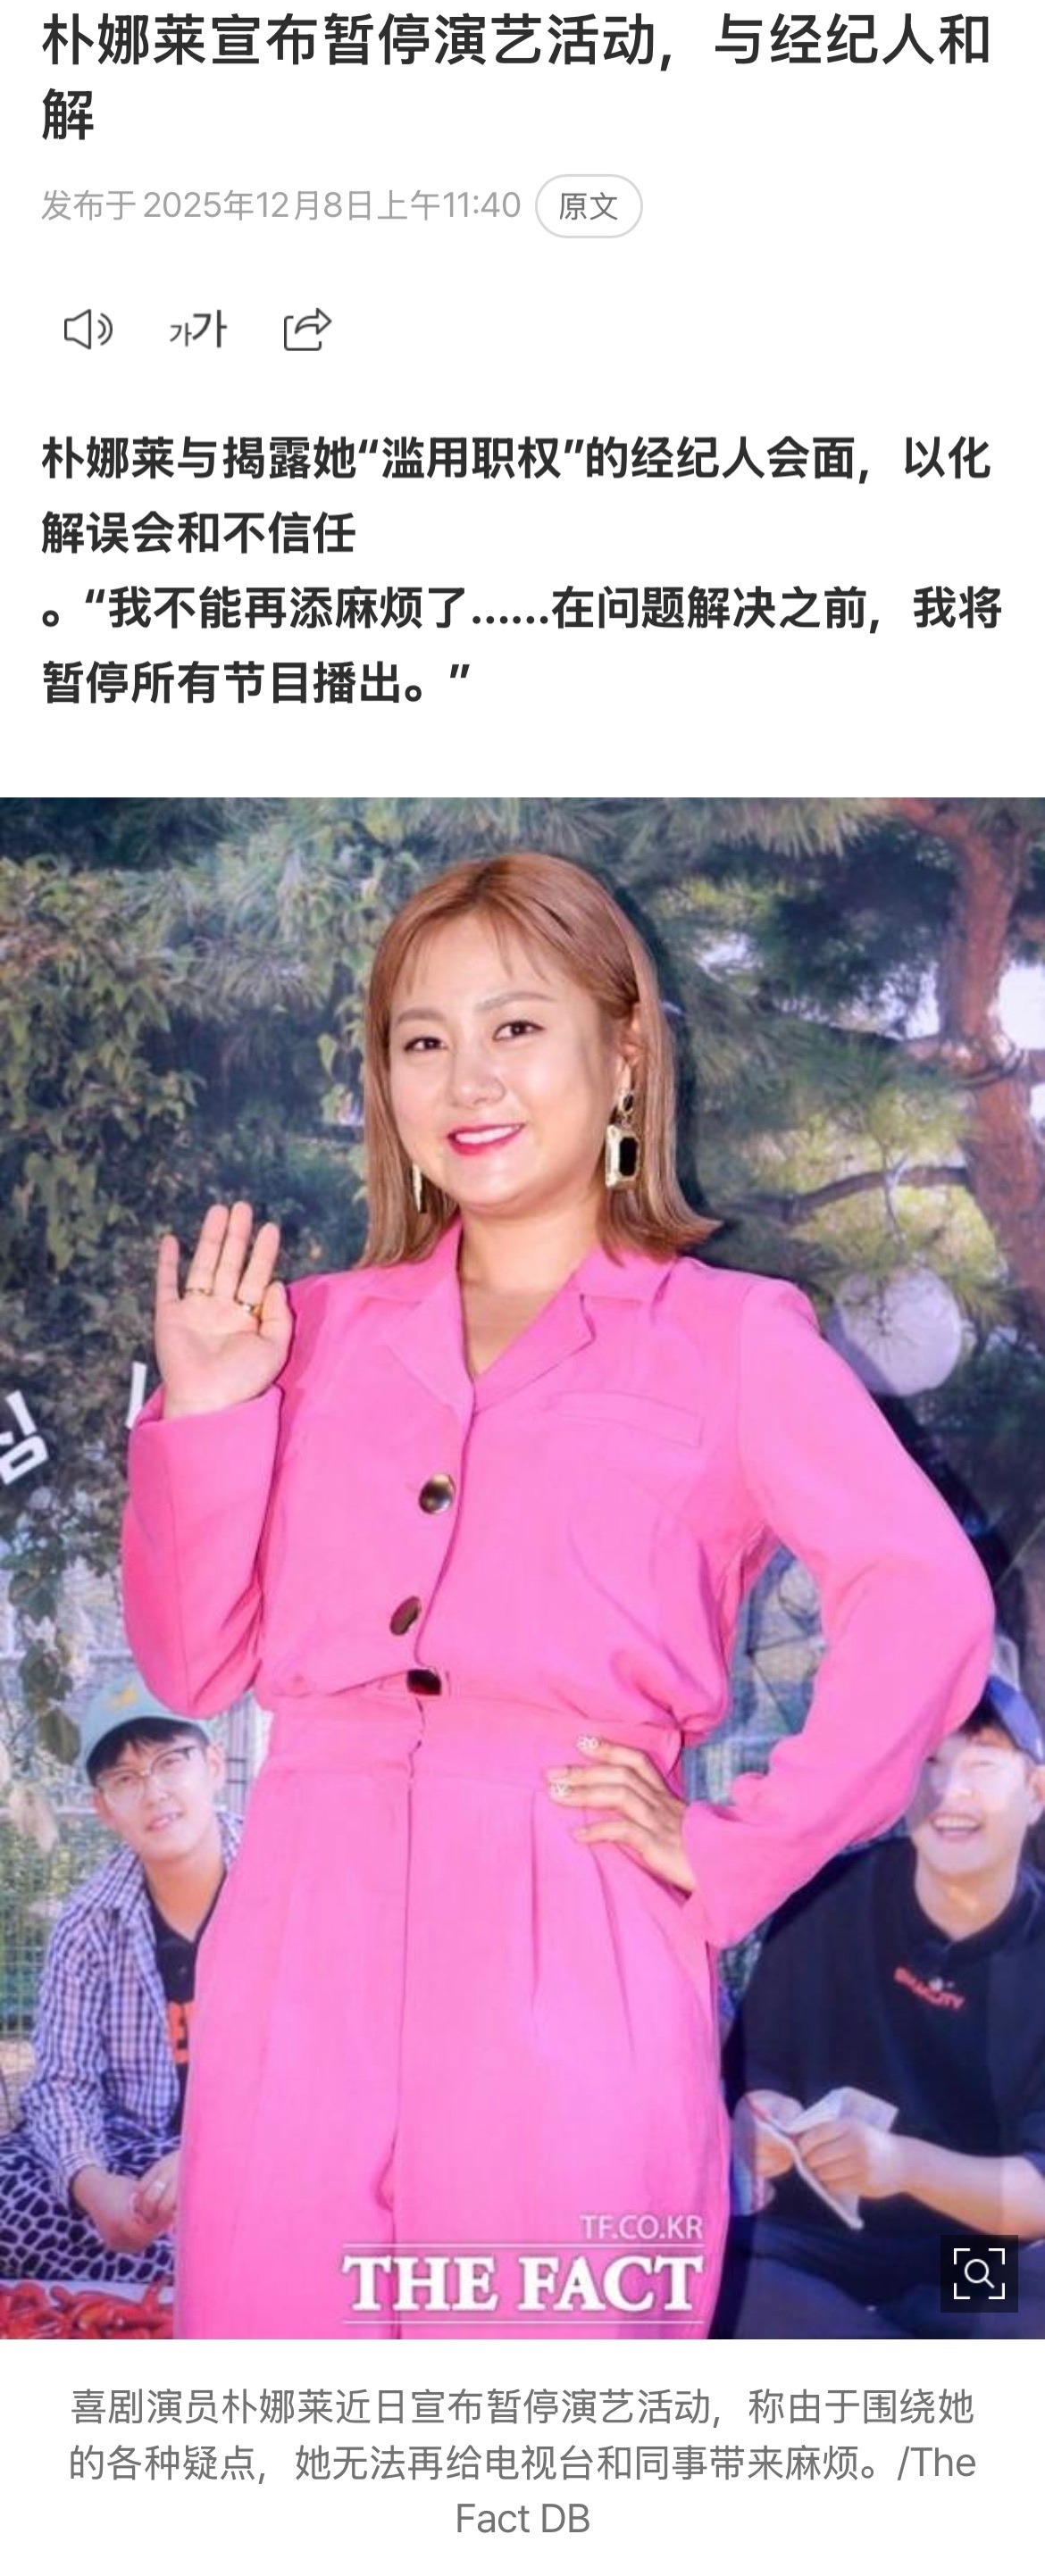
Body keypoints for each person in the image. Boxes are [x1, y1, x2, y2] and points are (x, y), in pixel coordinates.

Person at [120, 850, 996, 2340]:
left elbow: (923, 1596)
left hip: (571, 1926)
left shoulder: (730, 1338)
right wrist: (207, 1409)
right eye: (422, 1037)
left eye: (516, 1025)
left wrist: (736, 1847)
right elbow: (192, 1663)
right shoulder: (301, 1332)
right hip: (302, 1932)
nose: (467, 1076)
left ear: (624, 1051)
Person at [713, 1673, 1045, 2338]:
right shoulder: (830, 1899)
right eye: (929, 1763)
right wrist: (758, 2117)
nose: (950, 1791)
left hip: (970, 2261)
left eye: (982, 1764)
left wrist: (903, 2166)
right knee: (713, 2282)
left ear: (1036, 1792)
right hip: (823, 2244)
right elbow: (753, 2068)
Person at [0, 1670, 238, 2288]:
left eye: (170, 1761)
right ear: (103, 1808)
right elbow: (61, 2081)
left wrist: (210, 2154)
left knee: (247, 2217)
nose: (154, 1792)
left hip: (261, 2141)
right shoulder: (88, 1921)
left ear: (213, 1766)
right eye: (126, 1779)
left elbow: (330, 2068)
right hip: (130, 2148)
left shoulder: (283, 1889)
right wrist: (93, 2185)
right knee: (14, 2193)